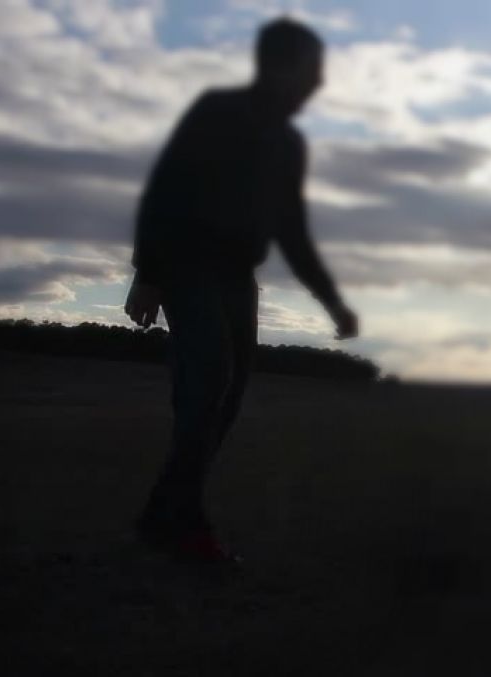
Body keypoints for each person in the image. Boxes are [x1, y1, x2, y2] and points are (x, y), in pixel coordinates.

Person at [124, 17, 358, 565]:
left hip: (237, 279)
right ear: (278, 66)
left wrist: (331, 300)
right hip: (186, 267)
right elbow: (165, 192)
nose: (318, 83)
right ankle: (185, 525)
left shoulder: (289, 144)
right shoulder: (217, 112)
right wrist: (149, 274)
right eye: (312, 71)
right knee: (208, 382)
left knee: (223, 402)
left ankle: (162, 516)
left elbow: (291, 230)